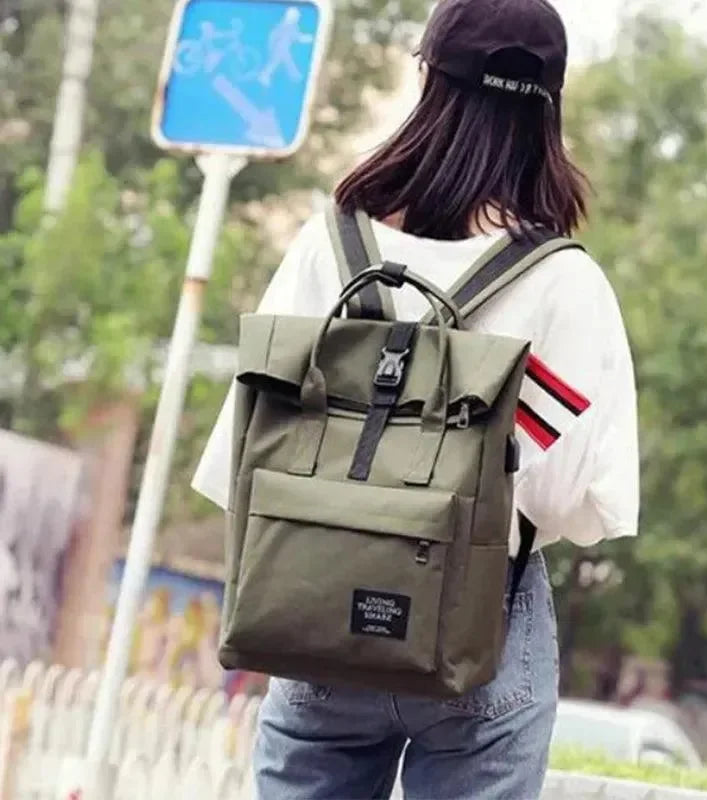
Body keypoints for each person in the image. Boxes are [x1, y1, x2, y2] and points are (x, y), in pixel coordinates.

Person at [192, 0, 639, 796]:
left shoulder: (330, 243)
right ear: (549, 113)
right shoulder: (565, 282)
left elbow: (243, 457)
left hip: (315, 601)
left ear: (429, 79)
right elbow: (569, 504)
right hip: (481, 626)